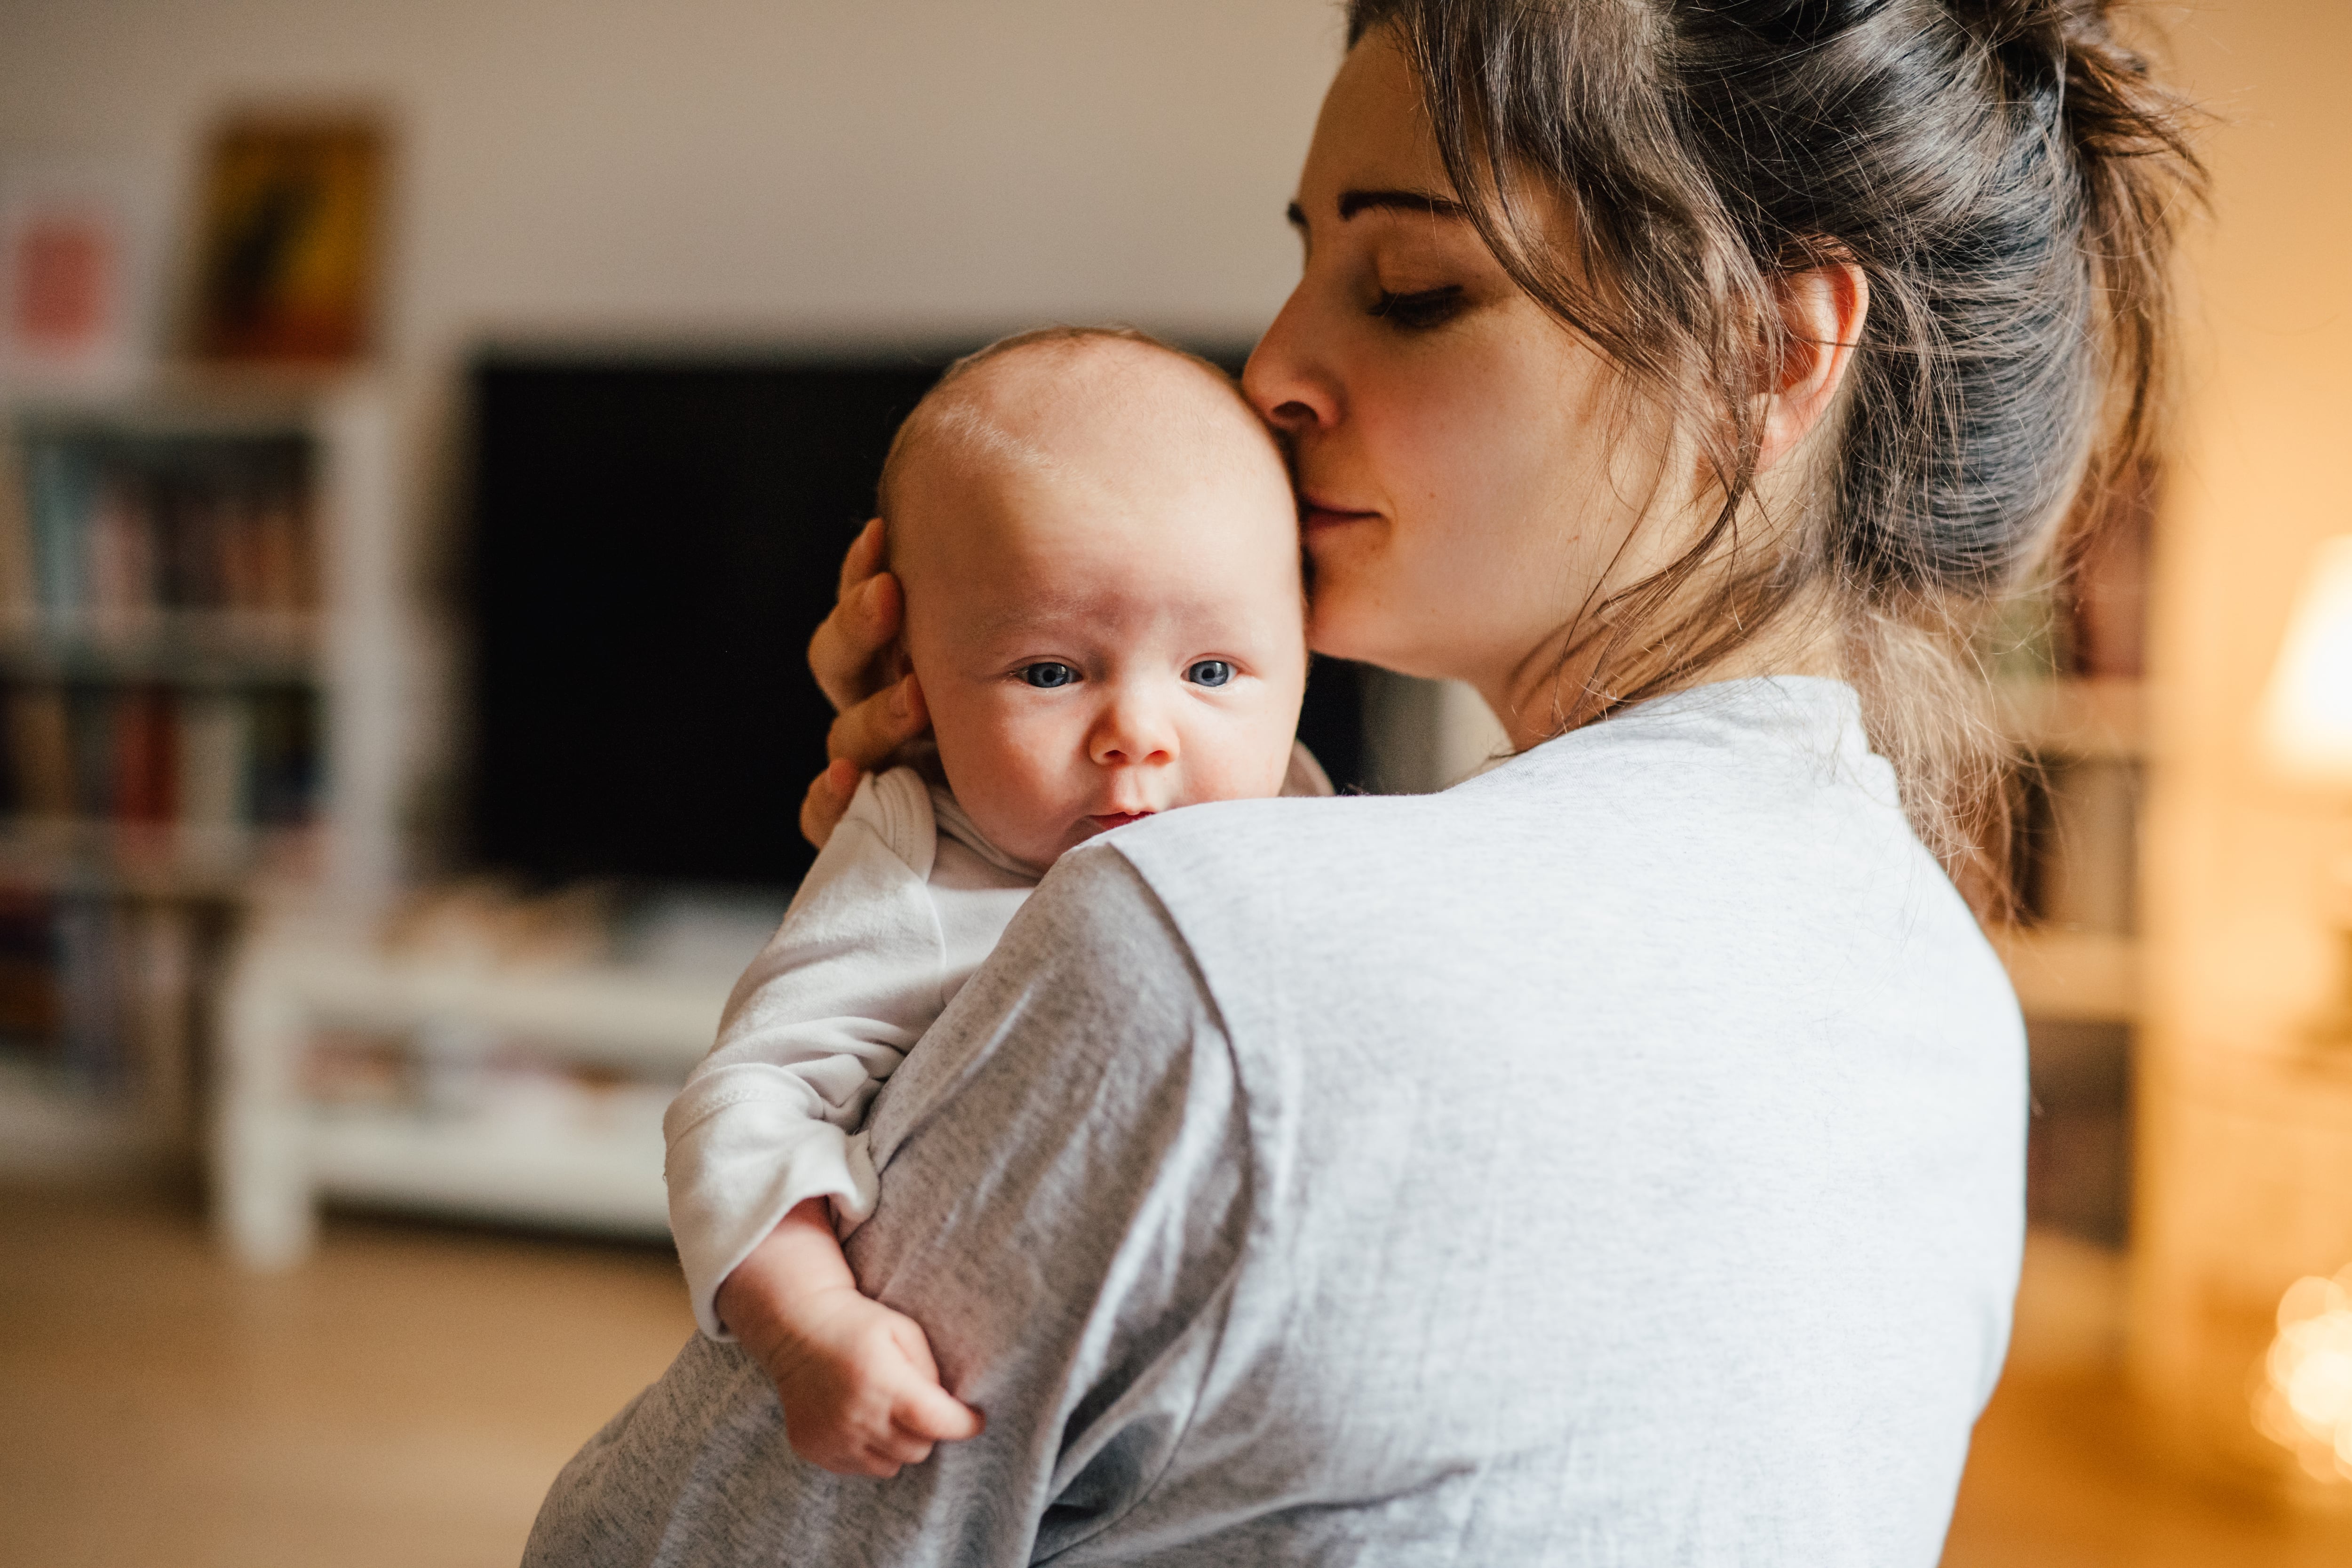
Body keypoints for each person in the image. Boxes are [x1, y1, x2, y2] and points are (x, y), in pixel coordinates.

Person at [528, 2, 2198, 1562]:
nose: (1271, 368)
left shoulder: (1209, 948)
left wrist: (931, 942)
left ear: (1772, 348)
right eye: (1306, 263)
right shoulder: (1952, 1009)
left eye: (1407, 287)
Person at [661, 326, 1326, 1478]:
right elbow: (749, 1102)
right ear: (908, 677)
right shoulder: (916, 859)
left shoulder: (1302, 806)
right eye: (1051, 671)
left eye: (1212, 671)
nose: (1141, 730)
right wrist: (807, 1320)